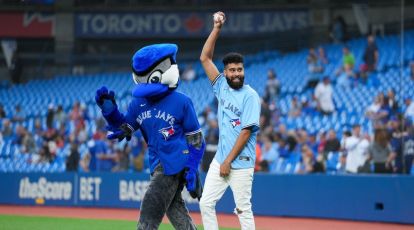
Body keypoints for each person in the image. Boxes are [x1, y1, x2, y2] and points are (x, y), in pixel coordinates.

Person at [95, 43, 205, 230]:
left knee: (149, 214)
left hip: (175, 161)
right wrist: (110, 112)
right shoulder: (138, 103)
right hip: (156, 163)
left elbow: (197, 140)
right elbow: (125, 128)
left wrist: (192, 168)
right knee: (175, 211)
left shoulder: (182, 101)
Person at [199, 11, 261, 230]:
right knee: (206, 203)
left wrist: (227, 162)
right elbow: (205, 58)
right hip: (221, 160)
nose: (237, 73)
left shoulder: (250, 95)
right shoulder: (221, 87)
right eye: (232, 70)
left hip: (241, 163)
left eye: (240, 69)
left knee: (243, 209)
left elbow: (246, 132)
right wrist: (216, 29)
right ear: (225, 73)